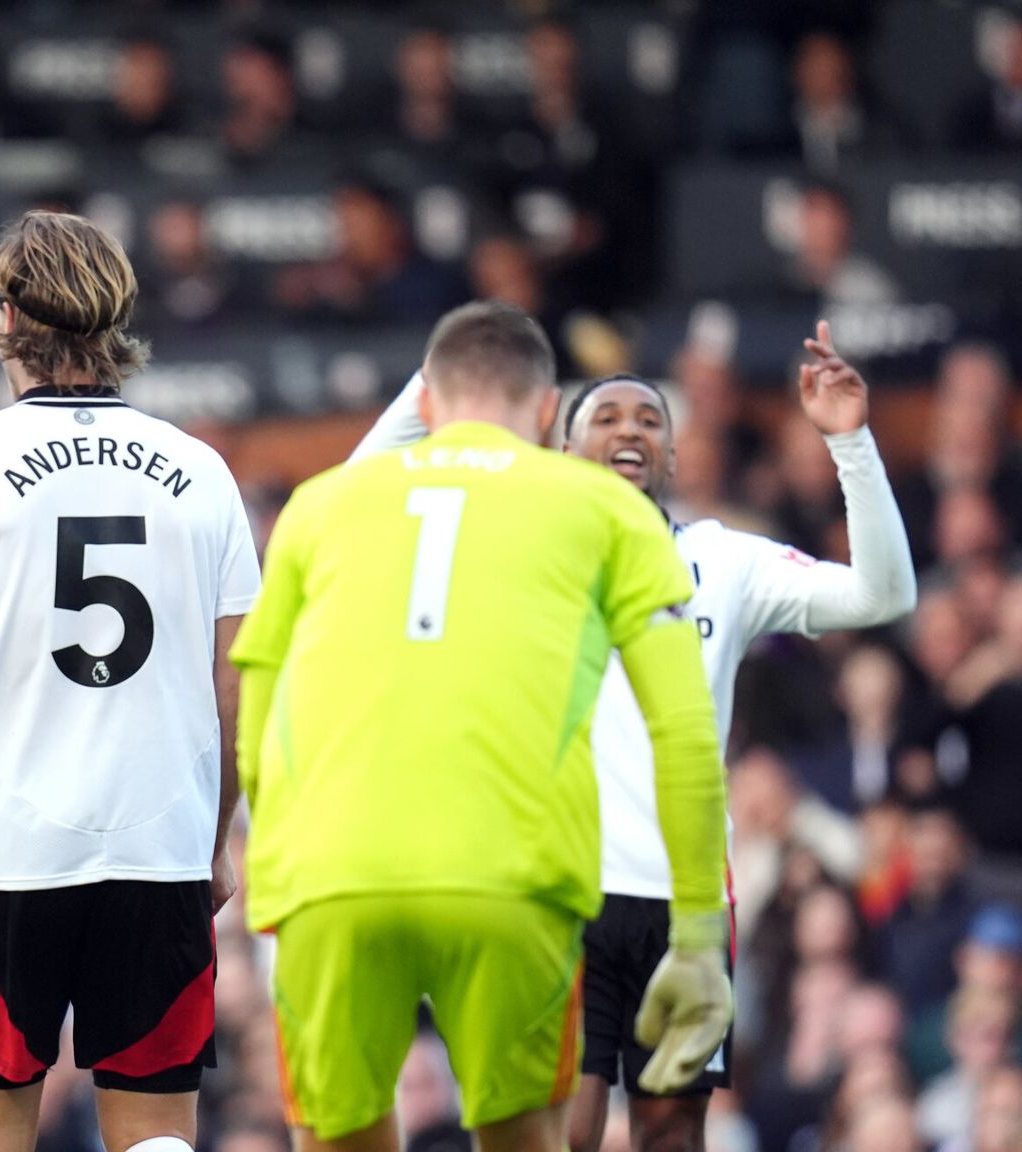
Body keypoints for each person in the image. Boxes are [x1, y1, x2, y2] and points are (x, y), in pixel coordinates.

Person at [353, 320, 916, 1152]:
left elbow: (883, 594)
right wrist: (434, 381)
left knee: (671, 1133)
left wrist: (852, 444)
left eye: (650, 420)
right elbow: (358, 499)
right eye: (607, 417)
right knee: (562, 1130)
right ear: (561, 447)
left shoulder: (724, 560)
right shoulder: (511, 548)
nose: (630, 430)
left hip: (688, 903)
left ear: (674, 458)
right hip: (557, 891)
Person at [239, 301, 733, 1152]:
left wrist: (289, 862)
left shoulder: (318, 506)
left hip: (331, 874)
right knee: (521, 1136)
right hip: (514, 876)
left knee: (338, 1137)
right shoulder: (605, 509)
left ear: (425, 403)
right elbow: (684, 735)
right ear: (548, 412)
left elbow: (254, 711)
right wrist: (695, 933)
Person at [0, 210, 261, 1152]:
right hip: (159, 847)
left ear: (2, 320)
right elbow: (238, 687)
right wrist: (217, 832)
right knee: (157, 1140)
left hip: (2, 855)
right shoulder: (203, 473)